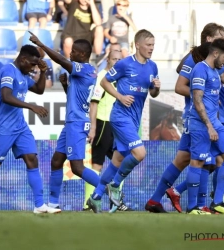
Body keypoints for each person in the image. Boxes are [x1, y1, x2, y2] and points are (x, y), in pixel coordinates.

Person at [0, 45, 61, 214]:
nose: (33, 68)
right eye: (32, 64)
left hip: (20, 126)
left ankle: (39, 205)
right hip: (4, 127)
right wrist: (31, 107)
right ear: (23, 60)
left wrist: (43, 72)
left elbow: (39, 90)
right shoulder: (8, 70)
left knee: (32, 159)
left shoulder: (23, 73)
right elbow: (7, 97)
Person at [145, 22, 224, 213]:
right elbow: (180, 86)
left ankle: (161, 199)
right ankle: (203, 204)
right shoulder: (195, 60)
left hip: (210, 118)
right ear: (209, 40)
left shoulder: (215, 62)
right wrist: (203, 96)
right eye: (220, 37)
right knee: (202, 161)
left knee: (189, 160)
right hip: (197, 118)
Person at [87, 29, 161, 213]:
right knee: (140, 153)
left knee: (117, 160)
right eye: (148, 45)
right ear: (138, 45)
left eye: (153, 45)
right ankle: (115, 185)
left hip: (134, 119)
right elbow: (104, 81)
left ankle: (95, 197)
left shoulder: (153, 67)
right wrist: (120, 96)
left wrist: (156, 88)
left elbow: (152, 93)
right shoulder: (125, 64)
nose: (152, 48)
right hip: (120, 116)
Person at [29, 32, 100, 209]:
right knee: (56, 161)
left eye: (74, 51)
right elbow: (75, 98)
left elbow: (61, 61)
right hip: (71, 122)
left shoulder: (85, 69)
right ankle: (53, 204)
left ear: (82, 55)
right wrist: (65, 86)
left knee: (76, 167)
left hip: (76, 123)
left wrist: (42, 45)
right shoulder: (83, 72)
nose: (70, 53)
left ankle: (108, 187)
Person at [83, 49, 134, 212]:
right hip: (103, 124)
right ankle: (88, 203)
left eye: (120, 60)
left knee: (121, 164)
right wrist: (93, 127)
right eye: (114, 59)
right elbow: (94, 103)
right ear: (107, 61)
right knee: (96, 165)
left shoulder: (120, 77)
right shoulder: (101, 78)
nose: (117, 62)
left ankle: (116, 202)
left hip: (117, 126)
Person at [185, 38, 224, 214]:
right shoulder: (200, 69)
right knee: (198, 161)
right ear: (215, 53)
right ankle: (192, 207)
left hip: (215, 123)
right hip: (201, 124)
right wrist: (209, 126)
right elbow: (197, 99)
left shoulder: (216, 71)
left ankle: (217, 202)